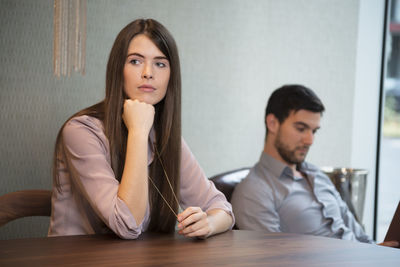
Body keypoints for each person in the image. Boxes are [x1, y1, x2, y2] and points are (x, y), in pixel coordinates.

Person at [48, 18, 233, 239]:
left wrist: (209, 223)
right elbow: (127, 225)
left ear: (171, 76)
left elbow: (223, 209)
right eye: (135, 61)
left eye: (160, 63)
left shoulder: (163, 136)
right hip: (74, 259)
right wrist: (138, 131)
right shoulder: (81, 131)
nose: (148, 73)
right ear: (118, 69)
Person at [231, 84, 398, 247]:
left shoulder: (316, 174)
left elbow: (360, 236)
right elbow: (274, 260)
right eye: (301, 128)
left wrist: (379, 251)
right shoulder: (254, 192)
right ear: (272, 123)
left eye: (314, 131)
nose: (310, 141)